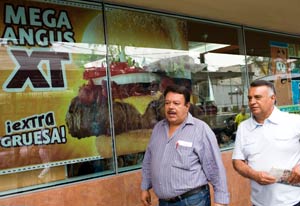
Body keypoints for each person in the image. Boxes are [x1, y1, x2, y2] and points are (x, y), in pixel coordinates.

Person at [141, 84, 229, 206]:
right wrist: (145, 187)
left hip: (193, 201)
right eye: (167, 103)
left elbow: (214, 168)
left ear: (187, 106)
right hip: (164, 202)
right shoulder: (158, 129)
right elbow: (148, 160)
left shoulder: (200, 130)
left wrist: (220, 201)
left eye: (176, 103)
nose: (171, 107)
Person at [232, 80, 300, 206]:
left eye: (257, 97)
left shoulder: (294, 122)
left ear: (272, 98)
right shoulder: (243, 127)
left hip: (292, 201)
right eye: (250, 98)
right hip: (258, 203)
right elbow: (237, 161)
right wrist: (255, 175)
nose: (252, 102)